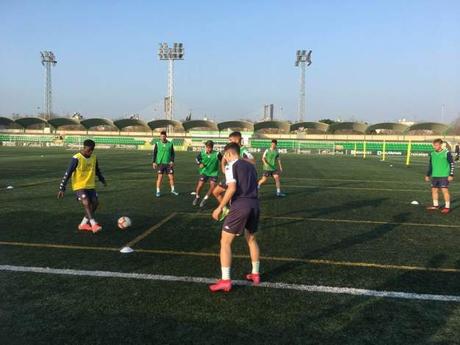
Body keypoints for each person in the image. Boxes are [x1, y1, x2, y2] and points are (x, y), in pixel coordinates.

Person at [209, 143, 261, 293]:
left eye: (225, 155)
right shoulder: (251, 166)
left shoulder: (231, 165)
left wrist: (220, 207)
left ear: (229, 154)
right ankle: (255, 274)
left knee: (225, 241)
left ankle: (225, 280)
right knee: (251, 239)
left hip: (241, 204)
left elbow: (231, 188)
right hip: (255, 204)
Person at [57, 139, 106, 233]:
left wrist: (101, 179)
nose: (90, 152)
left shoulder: (94, 157)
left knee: (95, 203)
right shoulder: (76, 158)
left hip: (90, 185)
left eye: (92, 150)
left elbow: (97, 170)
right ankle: (93, 224)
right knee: (86, 202)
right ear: (84, 148)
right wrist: (62, 188)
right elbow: (68, 173)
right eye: (89, 150)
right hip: (79, 185)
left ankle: (83, 224)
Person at [212, 131, 255, 218]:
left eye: (230, 140)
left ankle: (231, 210)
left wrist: (240, 158)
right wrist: (223, 169)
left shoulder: (243, 150)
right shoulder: (230, 149)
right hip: (229, 175)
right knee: (216, 192)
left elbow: (253, 162)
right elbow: (223, 160)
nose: (229, 141)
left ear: (236, 139)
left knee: (233, 193)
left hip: (237, 176)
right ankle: (225, 208)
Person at [425, 138, 454, 214]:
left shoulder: (446, 153)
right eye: (434, 145)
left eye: (436, 145)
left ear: (441, 145)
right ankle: (435, 205)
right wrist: (428, 175)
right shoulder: (432, 153)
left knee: (444, 190)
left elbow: (452, 163)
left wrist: (451, 174)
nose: (435, 146)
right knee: (434, 190)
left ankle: (447, 207)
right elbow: (431, 165)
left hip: (444, 175)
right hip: (435, 175)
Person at [193, 140, 222, 207]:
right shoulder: (202, 153)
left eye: (210, 147)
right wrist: (199, 163)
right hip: (204, 172)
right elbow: (197, 159)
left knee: (212, 187)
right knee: (200, 185)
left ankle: (205, 199)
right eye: (207, 147)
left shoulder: (217, 154)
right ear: (205, 147)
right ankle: (197, 197)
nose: (208, 149)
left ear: (212, 147)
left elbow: (223, 160)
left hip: (214, 173)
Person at [152, 131, 178, 197]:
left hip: (168, 164)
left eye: (164, 136)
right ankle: (158, 191)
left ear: (166, 136)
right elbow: (154, 153)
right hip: (160, 163)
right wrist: (154, 162)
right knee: (159, 178)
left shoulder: (170, 144)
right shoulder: (157, 143)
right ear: (160, 137)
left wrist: (172, 161)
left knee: (171, 177)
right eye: (161, 136)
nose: (162, 137)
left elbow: (172, 154)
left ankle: (173, 190)